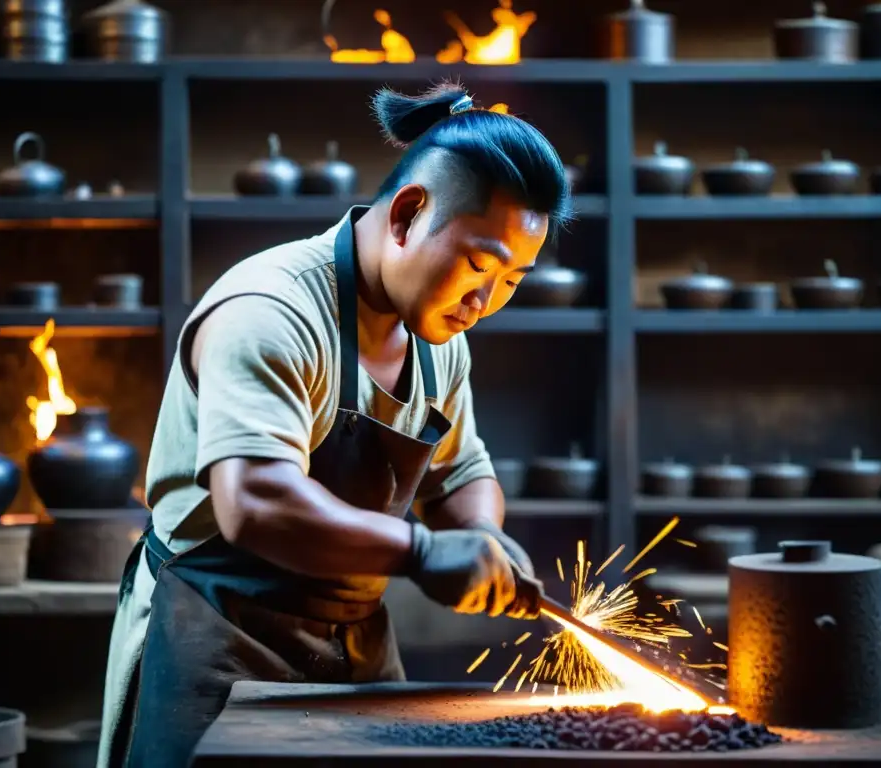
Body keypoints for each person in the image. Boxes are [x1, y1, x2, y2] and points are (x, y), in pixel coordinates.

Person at [96, 81, 573, 768]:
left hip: (354, 644)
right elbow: (256, 502)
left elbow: (462, 470)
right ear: (409, 215)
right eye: (478, 266)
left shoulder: (439, 340)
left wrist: (482, 534)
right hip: (214, 633)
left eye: (513, 281)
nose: (486, 301)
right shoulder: (271, 310)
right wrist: (419, 552)